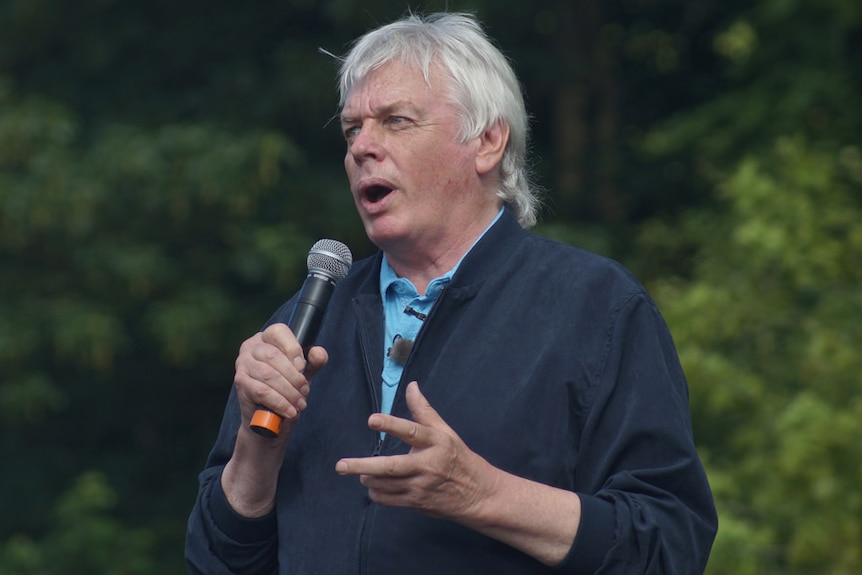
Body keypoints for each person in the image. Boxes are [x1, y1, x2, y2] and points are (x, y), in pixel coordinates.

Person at [185, 12, 717, 575]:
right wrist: (256, 448)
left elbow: (669, 544)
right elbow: (213, 562)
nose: (363, 146)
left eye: (396, 121)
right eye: (351, 130)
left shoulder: (595, 308)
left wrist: (483, 495)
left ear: (487, 141)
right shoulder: (305, 322)